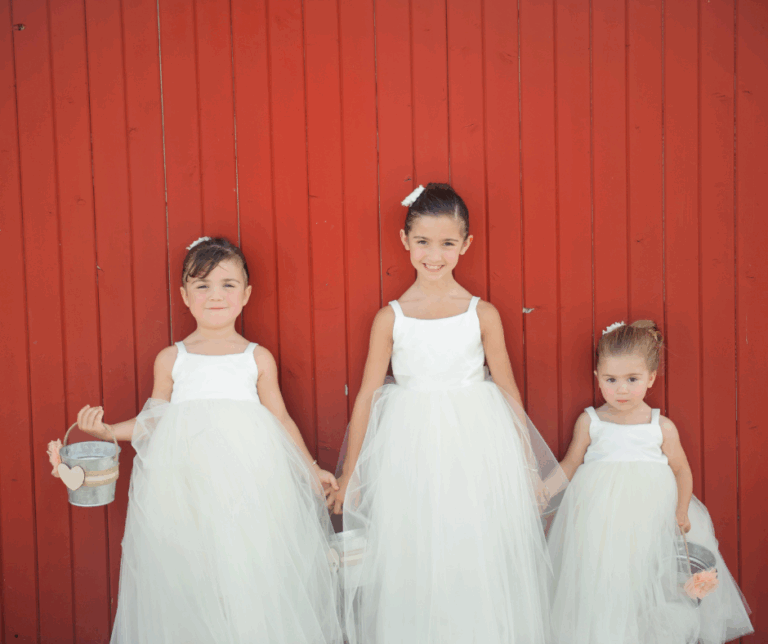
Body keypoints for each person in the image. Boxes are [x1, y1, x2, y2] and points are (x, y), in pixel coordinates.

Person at [70, 237, 342, 644]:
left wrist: (312, 469)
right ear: (184, 296)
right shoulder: (173, 358)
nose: (216, 295)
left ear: (246, 294)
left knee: (248, 572)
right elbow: (152, 422)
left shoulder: (255, 357)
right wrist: (109, 431)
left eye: (228, 285)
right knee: (191, 575)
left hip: (248, 488)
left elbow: (281, 419)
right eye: (202, 285)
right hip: (185, 490)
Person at [330, 183, 567, 644]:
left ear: (465, 245)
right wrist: (351, 471)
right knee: (414, 549)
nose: (433, 255)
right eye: (422, 241)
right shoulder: (391, 317)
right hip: (409, 446)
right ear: (405, 242)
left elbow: (508, 390)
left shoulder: (482, 314)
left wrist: (527, 465)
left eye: (446, 243)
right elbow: (366, 396)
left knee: (472, 544)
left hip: (475, 444)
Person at [549, 320, 753, 644]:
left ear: (651, 378)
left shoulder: (661, 426)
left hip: (651, 521)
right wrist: (546, 488)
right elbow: (571, 462)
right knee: (605, 584)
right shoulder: (591, 421)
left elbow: (682, 470)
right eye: (611, 379)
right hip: (600, 524)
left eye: (632, 379)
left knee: (652, 586)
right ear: (597, 378)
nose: (622, 389)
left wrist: (682, 511)